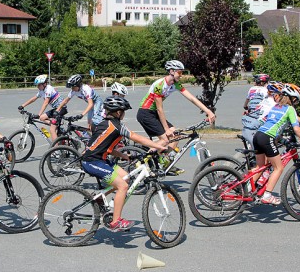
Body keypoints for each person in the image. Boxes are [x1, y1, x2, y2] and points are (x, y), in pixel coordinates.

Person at [81, 96, 167, 232]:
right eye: (124, 111)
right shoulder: (116, 126)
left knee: (125, 176)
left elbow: (108, 149)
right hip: (92, 161)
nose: (124, 113)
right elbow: (136, 137)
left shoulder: (106, 124)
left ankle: (99, 198)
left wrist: (123, 156)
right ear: (118, 112)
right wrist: (158, 146)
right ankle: (116, 221)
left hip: (100, 160)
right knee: (123, 186)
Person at [136, 60, 216, 172]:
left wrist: (208, 111)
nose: (181, 75)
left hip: (154, 113)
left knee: (176, 135)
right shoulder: (159, 85)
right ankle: (141, 160)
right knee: (165, 139)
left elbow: (191, 98)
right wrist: (166, 129)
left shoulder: (175, 84)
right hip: (146, 112)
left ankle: (165, 162)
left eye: (182, 73)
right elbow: (159, 108)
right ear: (172, 71)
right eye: (180, 72)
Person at [252, 83, 300, 205]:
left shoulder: (276, 106)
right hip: (267, 138)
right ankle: (267, 195)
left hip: (258, 135)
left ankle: (245, 188)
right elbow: (297, 129)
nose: (296, 103)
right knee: (279, 168)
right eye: (296, 101)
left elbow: (272, 123)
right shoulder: (290, 109)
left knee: (259, 167)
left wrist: (280, 139)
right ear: (293, 99)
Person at [18, 74, 67, 139]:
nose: (37, 87)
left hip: (61, 108)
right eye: (37, 85)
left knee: (52, 130)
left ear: (44, 84)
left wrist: (39, 114)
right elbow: (33, 99)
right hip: (56, 109)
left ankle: (56, 148)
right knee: (42, 118)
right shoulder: (42, 91)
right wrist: (22, 105)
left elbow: (46, 103)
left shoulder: (48, 89)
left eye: (39, 85)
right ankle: (58, 126)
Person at [241, 74, 269, 147]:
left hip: (251, 115)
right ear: (263, 82)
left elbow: (245, 104)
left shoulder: (251, 89)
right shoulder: (265, 90)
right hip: (260, 114)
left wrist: (246, 107)